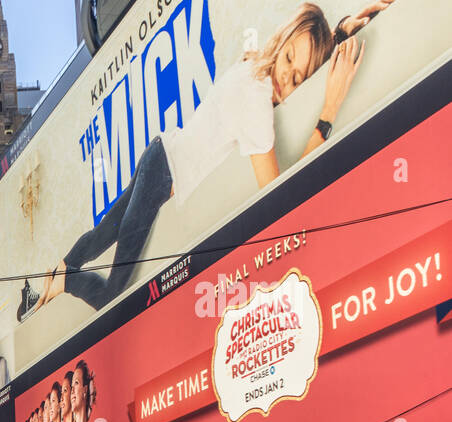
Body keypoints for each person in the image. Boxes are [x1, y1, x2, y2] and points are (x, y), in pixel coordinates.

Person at [34, 2, 373, 315]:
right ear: (282, 41)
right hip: (162, 172)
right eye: (288, 61)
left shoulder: (255, 68)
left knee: (105, 231)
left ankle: (58, 271)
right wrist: (327, 113)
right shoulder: (256, 100)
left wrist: (342, 31)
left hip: (159, 155)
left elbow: (304, 48)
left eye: (298, 77)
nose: (287, 78)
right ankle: (66, 281)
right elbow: (277, 195)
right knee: (113, 294)